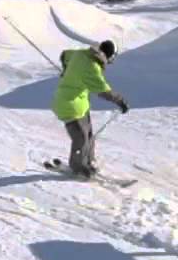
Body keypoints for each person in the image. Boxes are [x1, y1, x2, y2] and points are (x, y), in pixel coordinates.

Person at [51, 40, 129, 178]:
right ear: (109, 56)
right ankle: (78, 167)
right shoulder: (92, 68)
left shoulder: (81, 53)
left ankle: (88, 161)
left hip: (80, 104)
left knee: (88, 136)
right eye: (112, 59)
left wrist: (67, 70)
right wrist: (121, 101)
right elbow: (104, 91)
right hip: (68, 105)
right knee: (81, 137)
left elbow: (64, 55)